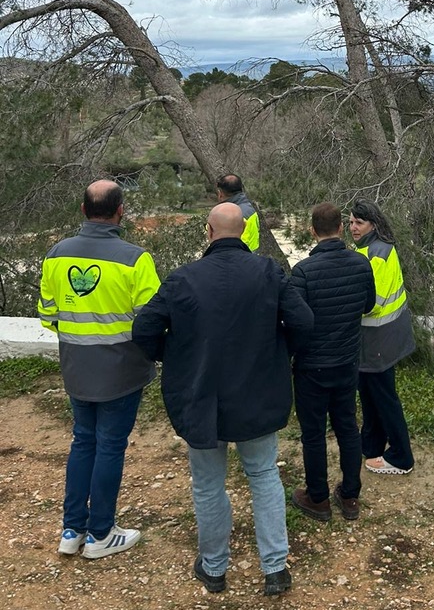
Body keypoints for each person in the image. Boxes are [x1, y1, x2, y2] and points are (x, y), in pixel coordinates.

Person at [132, 202, 313, 598]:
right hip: (258, 396)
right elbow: (303, 323)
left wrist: (174, 356)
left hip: (201, 398)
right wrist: (279, 355)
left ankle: (214, 569)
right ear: (244, 230)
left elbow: (144, 329)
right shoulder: (269, 273)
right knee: (264, 475)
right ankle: (275, 568)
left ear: (208, 232)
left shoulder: (183, 278)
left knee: (208, 485)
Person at [38, 179, 160, 559]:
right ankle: (101, 534)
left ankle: (72, 529)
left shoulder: (57, 254)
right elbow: (152, 321)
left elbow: (48, 315)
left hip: (76, 368)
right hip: (121, 371)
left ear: (82, 210)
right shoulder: (135, 258)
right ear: (121, 210)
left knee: (82, 441)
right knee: (110, 446)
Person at [288, 202, 376, 522]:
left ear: (312, 231)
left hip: (312, 367)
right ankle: (350, 496)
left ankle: (318, 498)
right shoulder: (361, 264)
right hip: (347, 362)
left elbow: (296, 321)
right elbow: (368, 306)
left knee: (313, 434)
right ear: (341, 228)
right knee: (348, 428)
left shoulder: (303, 272)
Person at [348, 198, 415, 476]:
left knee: (384, 397)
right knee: (369, 392)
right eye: (350, 221)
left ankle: (401, 456)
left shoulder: (379, 253)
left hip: (380, 339)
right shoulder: (365, 248)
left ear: (373, 224)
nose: (352, 227)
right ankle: (371, 444)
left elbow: (372, 302)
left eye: (358, 223)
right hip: (373, 338)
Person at [216, 173, 260, 252]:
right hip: (251, 256)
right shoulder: (249, 208)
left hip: (239, 258)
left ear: (220, 194)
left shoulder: (231, 214)